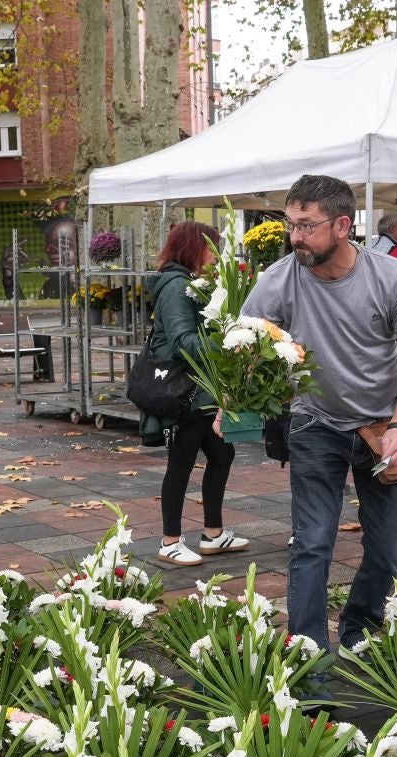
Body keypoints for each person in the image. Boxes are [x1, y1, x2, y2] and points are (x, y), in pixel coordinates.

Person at [241, 174, 397, 655]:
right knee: (312, 544)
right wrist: (238, 395)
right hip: (315, 424)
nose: (295, 237)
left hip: (382, 427)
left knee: (389, 549)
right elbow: (244, 349)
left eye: (307, 226)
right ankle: (308, 656)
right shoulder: (278, 280)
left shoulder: (389, 277)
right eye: (291, 224)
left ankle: (360, 628)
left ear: (343, 225)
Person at [146, 220, 248, 567]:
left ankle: (213, 534)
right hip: (184, 390)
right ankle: (170, 541)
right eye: (212, 248)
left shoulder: (193, 283)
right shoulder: (176, 286)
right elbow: (181, 341)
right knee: (181, 463)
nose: (216, 256)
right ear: (194, 248)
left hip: (202, 389)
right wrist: (228, 339)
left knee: (222, 456)